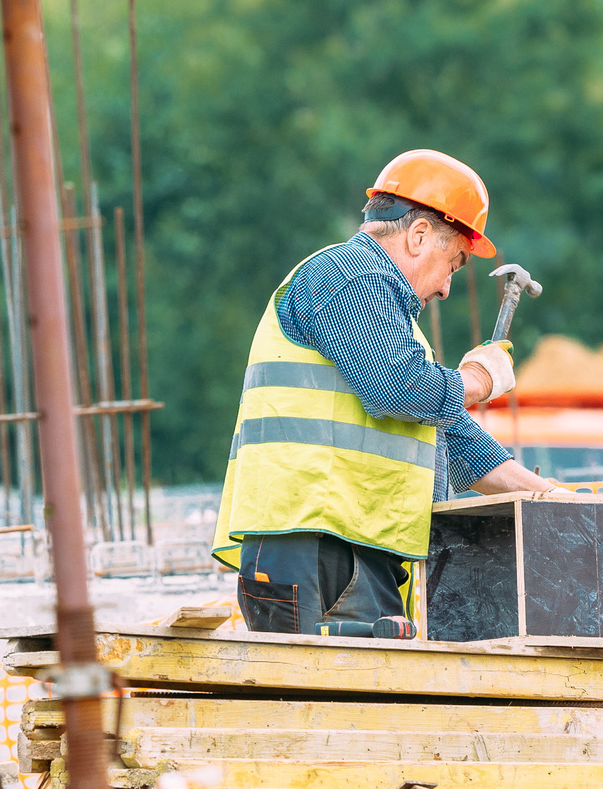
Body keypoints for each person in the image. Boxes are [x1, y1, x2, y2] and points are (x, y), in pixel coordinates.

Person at [211, 148, 564, 637]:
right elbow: (395, 389)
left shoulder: (383, 312)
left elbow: (454, 439)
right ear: (419, 235)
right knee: (326, 705)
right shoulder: (350, 277)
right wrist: (476, 380)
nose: (444, 289)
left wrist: (550, 497)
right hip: (314, 543)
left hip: (347, 547)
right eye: (453, 264)